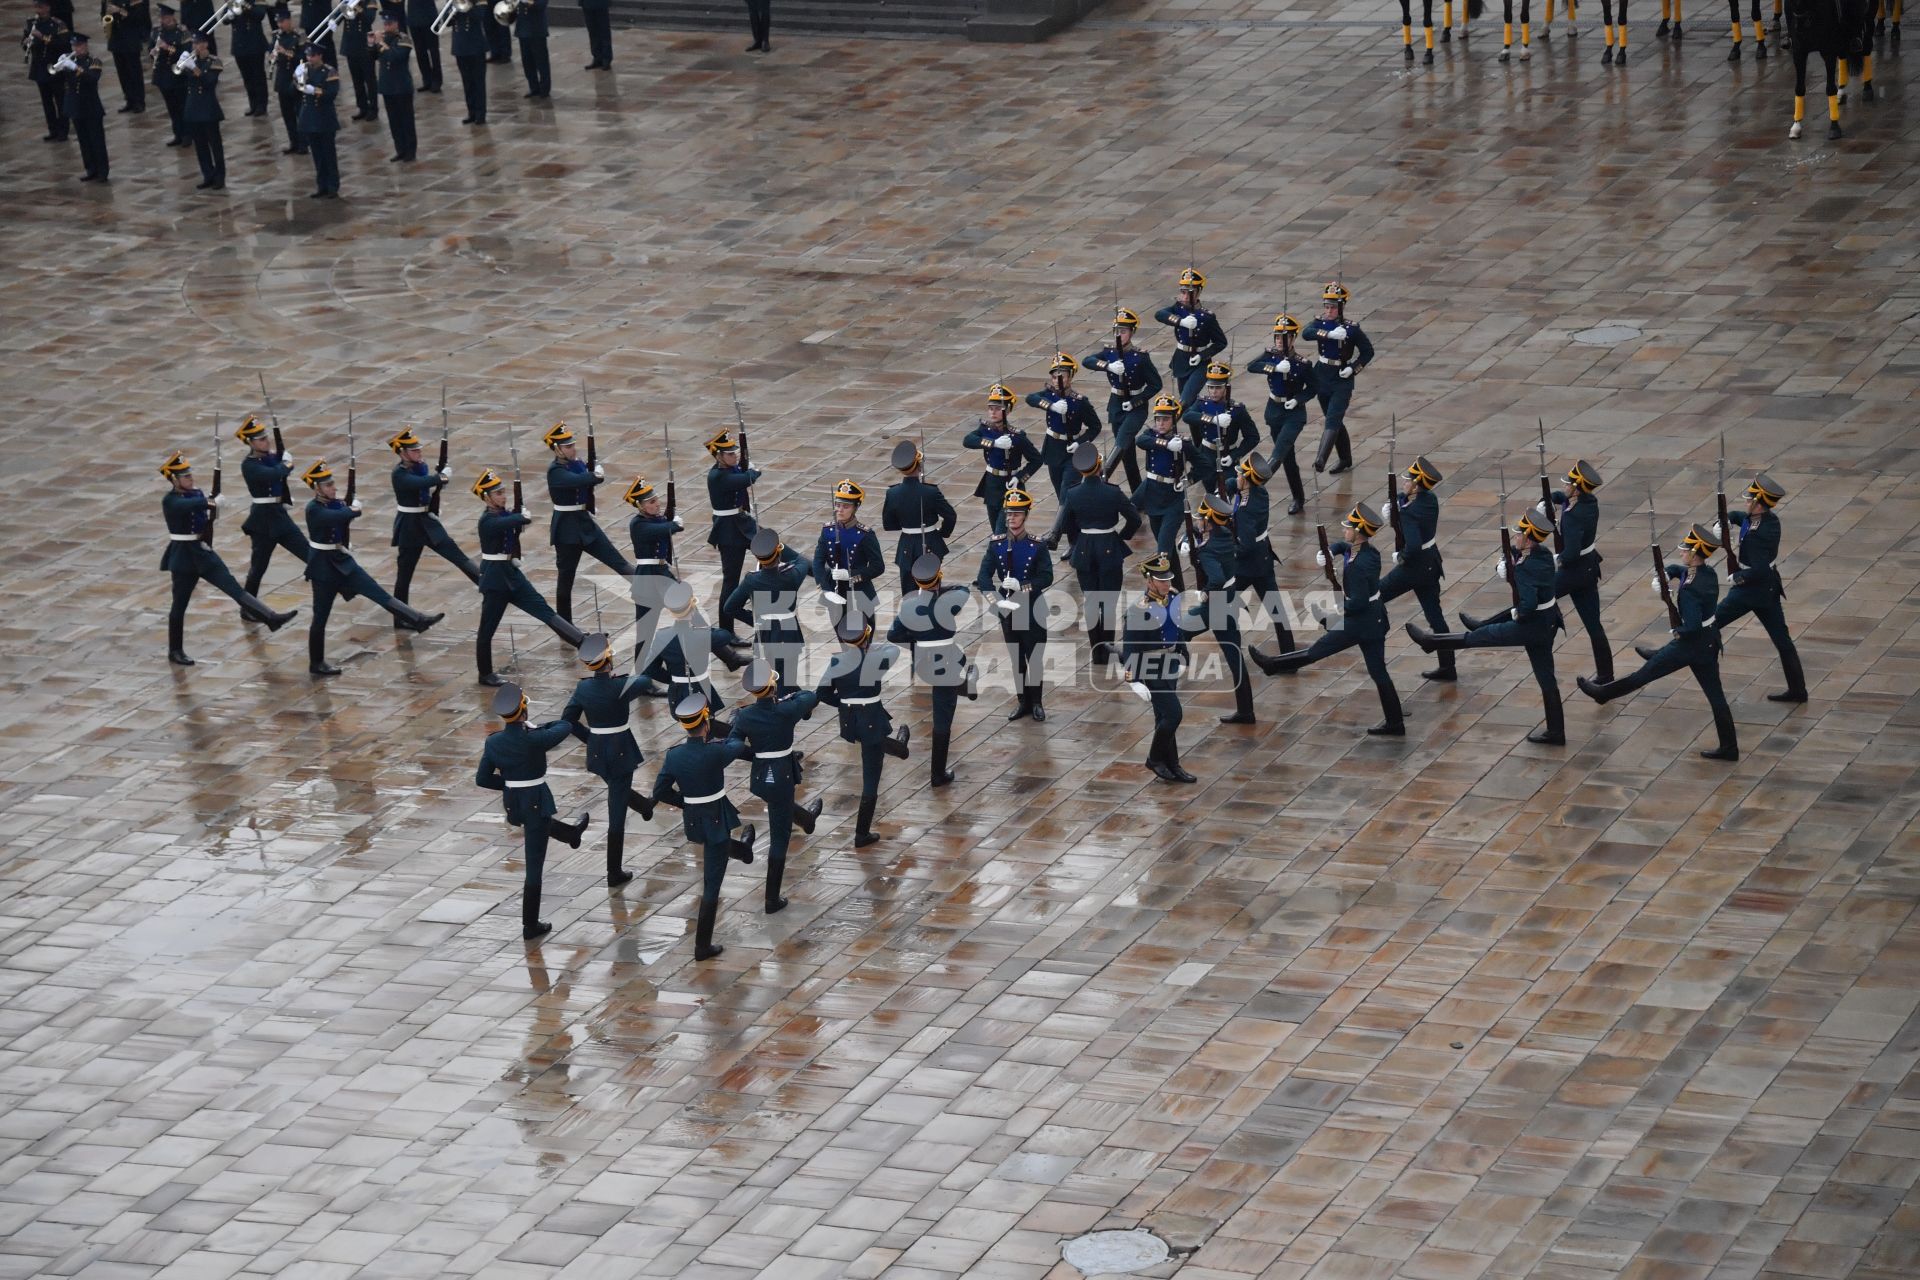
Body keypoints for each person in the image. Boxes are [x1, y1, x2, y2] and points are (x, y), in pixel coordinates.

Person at [1577, 523, 1739, 761]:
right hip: (1709, 642)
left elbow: (1692, 625)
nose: (1682, 552)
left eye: (1685, 550)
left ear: (1695, 554)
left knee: (1643, 675)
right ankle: (1729, 747)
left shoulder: (1691, 590)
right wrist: (1670, 572)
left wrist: (1678, 631)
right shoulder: (1708, 574)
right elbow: (1687, 574)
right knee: (1716, 697)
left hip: (1689, 645)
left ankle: (1603, 693)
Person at [1408, 505, 1566, 745]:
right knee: (1546, 676)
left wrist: (1518, 609)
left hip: (1532, 625)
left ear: (1528, 540)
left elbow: (1528, 601)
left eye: (1518, 534)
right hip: (1547, 622)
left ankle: (1431, 642)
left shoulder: (1528, 566)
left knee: (1483, 635)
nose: (1515, 537)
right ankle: (1556, 732)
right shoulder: (1541, 554)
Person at [1250, 502, 1405, 737]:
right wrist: (1331, 550)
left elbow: (1359, 603)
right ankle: (1395, 723)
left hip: (1360, 623)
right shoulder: (1366, 551)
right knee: (1378, 671)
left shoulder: (1361, 565)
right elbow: (1345, 547)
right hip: (1373, 621)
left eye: (1349, 528)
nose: (1345, 531)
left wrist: (1342, 604)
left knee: (1315, 652)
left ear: (1359, 531)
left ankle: (1272, 664)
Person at [1463, 459, 1611, 682]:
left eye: (1570, 484)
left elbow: (1569, 554)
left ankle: (1485, 626)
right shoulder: (1589, 503)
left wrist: (1546, 562)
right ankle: (1606, 674)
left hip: (1574, 571)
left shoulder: (1572, 516)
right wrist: (1554, 499)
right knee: (1593, 625)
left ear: (1578, 488)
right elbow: (1569, 504)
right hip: (1589, 566)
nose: (1566, 487)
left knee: (1529, 595)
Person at [298, 460, 444, 675]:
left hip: (342, 560)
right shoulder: (314, 509)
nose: (333, 488)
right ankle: (316, 663)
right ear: (317, 489)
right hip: (323, 567)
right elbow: (340, 516)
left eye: (332, 484)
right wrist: (354, 508)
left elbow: (343, 513)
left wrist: (350, 503)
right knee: (321, 615)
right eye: (327, 485)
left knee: (377, 592)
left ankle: (417, 619)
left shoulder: (334, 503)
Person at [475, 682, 592, 942]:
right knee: (534, 865)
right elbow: (565, 726)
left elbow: (483, 779)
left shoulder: (494, 742)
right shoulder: (534, 739)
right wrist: (537, 727)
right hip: (535, 800)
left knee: (539, 825)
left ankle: (571, 834)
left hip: (514, 801)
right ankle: (530, 925)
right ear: (524, 712)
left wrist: (507, 785)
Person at [158, 450, 298, 665]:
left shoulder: (195, 493)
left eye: (190, 474)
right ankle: (175, 650)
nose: (190, 478)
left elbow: (205, 517)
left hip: (203, 552)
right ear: (174, 480)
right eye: (185, 476)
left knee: (234, 589)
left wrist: (211, 504)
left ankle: (270, 617)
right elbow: (186, 507)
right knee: (180, 604)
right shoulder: (171, 500)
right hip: (184, 557)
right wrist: (209, 502)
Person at [652, 695, 757, 960]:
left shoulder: (674, 755)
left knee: (717, 848)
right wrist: (737, 721)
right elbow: (736, 743)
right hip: (715, 816)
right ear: (707, 722)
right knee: (712, 882)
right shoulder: (716, 751)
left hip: (695, 817)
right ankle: (702, 945)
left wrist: (686, 803)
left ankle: (743, 849)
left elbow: (661, 791)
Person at [472, 467, 586, 686]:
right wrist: (520, 517)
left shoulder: (503, 514)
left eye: (504, 492)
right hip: (495, 579)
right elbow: (508, 524)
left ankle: (582, 641)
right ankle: (485, 673)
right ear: (486, 498)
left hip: (512, 575)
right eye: (498, 494)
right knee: (487, 627)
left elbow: (513, 523)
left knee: (543, 609)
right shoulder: (487, 520)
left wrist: (517, 514)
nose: (503, 496)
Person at [560, 634, 656, 888]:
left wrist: (589, 738)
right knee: (616, 812)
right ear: (609, 659)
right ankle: (614, 871)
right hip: (620, 750)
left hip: (598, 750)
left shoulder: (583, 688)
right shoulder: (620, 686)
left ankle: (645, 806)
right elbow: (646, 680)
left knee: (617, 787)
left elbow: (568, 720)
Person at [727, 661, 823, 913]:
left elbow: (734, 744)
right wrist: (786, 697)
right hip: (781, 774)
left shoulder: (746, 715)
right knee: (779, 838)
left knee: (781, 808)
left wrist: (755, 751)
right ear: (773, 687)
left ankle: (807, 818)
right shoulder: (786, 710)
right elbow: (810, 696)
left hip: (761, 775)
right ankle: (772, 899)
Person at [815, 610, 909, 847]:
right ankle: (861, 833)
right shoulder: (876, 658)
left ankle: (900, 747)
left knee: (874, 745)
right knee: (871, 777)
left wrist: (845, 703)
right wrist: (867, 645)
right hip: (872, 719)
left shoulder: (837, 661)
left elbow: (822, 693)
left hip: (850, 719)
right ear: (867, 635)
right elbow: (894, 649)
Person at [1711, 473, 1807, 703]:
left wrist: (1738, 577)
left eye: (1749, 500)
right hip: (1768, 589)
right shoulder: (1767, 520)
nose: (1746, 502)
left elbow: (1760, 569)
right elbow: (1743, 519)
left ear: (1759, 504)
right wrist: (1726, 519)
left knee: (1708, 622)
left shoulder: (1759, 535)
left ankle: (1662, 656)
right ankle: (1798, 690)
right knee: (1782, 641)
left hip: (1751, 590)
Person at [887, 554, 978, 788]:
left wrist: (916, 643)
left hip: (924, 664)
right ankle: (938, 774)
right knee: (942, 717)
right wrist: (941, 588)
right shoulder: (949, 601)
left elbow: (893, 635)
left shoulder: (908, 605)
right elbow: (964, 590)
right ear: (938, 577)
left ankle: (963, 684)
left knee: (960, 658)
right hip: (945, 661)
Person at [1046, 441, 1140, 664]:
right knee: (1107, 601)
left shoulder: (1073, 493)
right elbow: (1134, 519)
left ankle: (1096, 652)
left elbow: (1065, 521)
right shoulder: (1112, 492)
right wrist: (1122, 536)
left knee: (1091, 601)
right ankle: (1106, 648)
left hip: (1085, 547)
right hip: (1109, 545)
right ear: (1100, 466)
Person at [973, 487, 1053, 722]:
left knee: (1034, 658)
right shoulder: (996, 544)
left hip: (1032, 609)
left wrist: (1023, 585)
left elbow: (1046, 577)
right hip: (1008, 610)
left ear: (1025, 515)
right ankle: (1022, 702)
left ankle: (1037, 702)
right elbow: (984, 578)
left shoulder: (1037, 545)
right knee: (1017, 659)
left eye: (1016, 514)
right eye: (1009, 514)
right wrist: (997, 602)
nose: (1012, 518)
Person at [1376, 455, 1456, 683]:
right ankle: (1448, 666)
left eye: (1408, 481)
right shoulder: (1428, 499)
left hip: (1414, 567)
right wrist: (1398, 501)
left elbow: (1412, 545)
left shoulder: (1410, 512)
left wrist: (1400, 556)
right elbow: (1409, 500)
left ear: (1417, 485)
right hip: (1431, 564)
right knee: (1435, 616)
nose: (1405, 483)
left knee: (1375, 595)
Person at [1120, 552, 1200, 782]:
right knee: (1174, 714)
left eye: (1168, 579)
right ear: (1149, 580)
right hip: (1150, 666)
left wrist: (1183, 653)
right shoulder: (1138, 610)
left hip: (1171, 662)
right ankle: (1154, 758)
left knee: (1163, 716)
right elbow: (1130, 648)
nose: (1167, 584)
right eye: (1161, 580)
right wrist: (1133, 680)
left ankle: (1171, 764)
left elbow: (1178, 627)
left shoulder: (1173, 597)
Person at [542, 422, 632, 623]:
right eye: (568, 446)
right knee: (565, 582)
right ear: (557, 449)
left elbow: (583, 478)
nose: (573, 449)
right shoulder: (555, 470)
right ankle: (566, 628)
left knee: (619, 563)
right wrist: (594, 475)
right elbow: (577, 481)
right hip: (566, 531)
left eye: (573, 445)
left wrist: (592, 471)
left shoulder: (576, 464)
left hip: (585, 524)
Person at [388, 427, 476, 606]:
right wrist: (440, 478)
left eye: (419, 449)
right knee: (405, 574)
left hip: (427, 522)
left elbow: (425, 488)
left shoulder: (420, 467)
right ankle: (402, 615)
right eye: (414, 450)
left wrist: (439, 479)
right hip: (410, 527)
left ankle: (489, 587)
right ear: (403, 453)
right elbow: (419, 483)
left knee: (457, 556)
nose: (419, 452)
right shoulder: (399, 474)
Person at [1083, 307, 1163, 492]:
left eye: (1123, 331)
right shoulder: (1109, 352)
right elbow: (1087, 361)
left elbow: (1155, 384)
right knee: (1127, 455)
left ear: (1132, 332)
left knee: (1121, 441)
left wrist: (1136, 401)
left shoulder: (1140, 357)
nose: (1119, 335)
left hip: (1136, 407)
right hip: (1116, 406)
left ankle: (1100, 481)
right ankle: (1137, 493)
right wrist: (1108, 366)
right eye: (1116, 331)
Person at [1191, 497, 1255, 725]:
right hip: (1229, 601)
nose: (1197, 521)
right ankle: (1246, 711)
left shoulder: (1208, 551)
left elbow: (1216, 578)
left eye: (1201, 518)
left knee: (1177, 629)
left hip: (1215, 605)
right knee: (1235, 656)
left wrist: (1206, 591)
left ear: (1209, 522)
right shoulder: (1225, 536)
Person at [1300, 282, 1375, 475]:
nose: (1329, 310)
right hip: (1322, 374)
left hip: (1342, 378)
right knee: (1333, 419)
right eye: (1327, 306)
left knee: (1333, 419)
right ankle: (1345, 458)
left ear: (1341, 307)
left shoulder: (1352, 329)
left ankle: (1320, 459)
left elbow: (1367, 352)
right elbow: (1306, 334)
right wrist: (1329, 334)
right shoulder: (1320, 323)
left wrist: (1353, 368)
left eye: (1333, 307)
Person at [724, 528, 810, 693]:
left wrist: (755, 620)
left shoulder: (752, 579)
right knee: (786, 676)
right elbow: (802, 561)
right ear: (778, 553)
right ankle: (800, 703)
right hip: (789, 632)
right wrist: (781, 547)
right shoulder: (791, 575)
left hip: (764, 632)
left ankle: (796, 702)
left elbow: (730, 607)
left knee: (769, 676)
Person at [1243, 314, 1313, 514]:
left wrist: (1298, 399)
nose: (1279, 341)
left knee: (1279, 451)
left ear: (1292, 339)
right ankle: (1298, 497)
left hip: (1294, 414)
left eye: (1283, 338)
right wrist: (1273, 367)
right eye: (1277, 337)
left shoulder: (1302, 364)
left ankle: (1256, 484)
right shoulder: (1270, 355)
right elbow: (1251, 366)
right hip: (1274, 410)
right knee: (1287, 458)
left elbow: (1313, 387)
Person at [235, 416, 310, 601]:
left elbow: (277, 467)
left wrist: (283, 459)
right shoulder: (249, 465)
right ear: (251, 443)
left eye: (266, 437)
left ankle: (342, 585)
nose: (266, 441)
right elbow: (272, 474)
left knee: (309, 554)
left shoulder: (270, 457)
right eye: (261, 439)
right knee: (258, 568)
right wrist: (287, 464)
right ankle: (248, 606)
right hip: (262, 521)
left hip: (279, 516)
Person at [1229, 456, 1295, 656]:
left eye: (1240, 474)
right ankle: (1288, 652)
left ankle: (1231, 645)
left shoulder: (1245, 510)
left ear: (1247, 480)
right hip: (1263, 557)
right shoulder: (1259, 491)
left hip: (1247, 565)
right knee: (1277, 611)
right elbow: (1233, 484)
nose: (1237, 476)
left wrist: (1226, 552)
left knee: (1220, 602)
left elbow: (1245, 546)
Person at [881, 440, 956, 597]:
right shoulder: (931, 492)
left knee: (909, 591)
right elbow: (950, 515)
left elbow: (888, 524)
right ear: (919, 466)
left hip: (907, 543)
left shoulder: (893, 493)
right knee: (931, 587)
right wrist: (943, 533)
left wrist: (906, 524)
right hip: (930, 540)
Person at [963, 384, 1041, 535]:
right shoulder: (985, 430)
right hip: (992, 483)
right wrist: (993, 443)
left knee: (1002, 531)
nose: (993, 412)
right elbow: (968, 440)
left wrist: (1020, 478)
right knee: (996, 531)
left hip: (1011, 486)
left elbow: (1036, 460)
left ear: (1008, 410)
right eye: (991, 408)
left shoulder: (1017, 436)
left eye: (998, 408)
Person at [1024, 354, 1102, 501]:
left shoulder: (1080, 401)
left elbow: (1095, 427)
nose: (1057, 381)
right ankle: (1070, 523)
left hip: (1073, 452)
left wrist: (1079, 442)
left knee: (1068, 492)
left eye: (1062, 376)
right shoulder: (1049, 396)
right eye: (1054, 377)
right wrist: (1052, 406)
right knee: (1060, 493)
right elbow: (1030, 398)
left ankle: (1064, 522)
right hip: (1053, 449)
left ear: (1070, 377)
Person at [1128, 395, 1192, 575]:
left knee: (1163, 553)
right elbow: (1141, 441)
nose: (1161, 423)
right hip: (1153, 496)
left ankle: (1161, 590)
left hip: (1173, 500)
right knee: (1167, 548)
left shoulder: (1183, 443)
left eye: (1165, 419)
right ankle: (1176, 588)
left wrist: (1189, 480)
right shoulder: (1151, 436)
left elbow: (1204, 466)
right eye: (1158, 419)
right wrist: (1165, 444)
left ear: (1174, 420)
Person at [704, 429, 759, 634]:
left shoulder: (731, 469)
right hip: (728, 531)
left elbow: (743, 476)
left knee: (776, 550)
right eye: (729, 454)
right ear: (719, 456)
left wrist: (746, 468)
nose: (734, 455)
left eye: (735, 452)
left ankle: (813, 570)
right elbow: (747, 479)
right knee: (731, 581)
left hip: (743, 522)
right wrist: (752, 471)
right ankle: (727, 631)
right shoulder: (718, 476)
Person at [1179, 361, 1259, 498]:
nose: (1213, 391)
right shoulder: (1202, 403)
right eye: (1210, 387)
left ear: (1226, 388)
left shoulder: (1237, 410)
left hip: (1227, 456)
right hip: (1207, 454)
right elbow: (1187, 416)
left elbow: (1253, 437)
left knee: (1225, 496)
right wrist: (1213, 419)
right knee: (1210, 493)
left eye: (1218, 388)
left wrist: (1235, 455)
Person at [812, 479, 885, 629]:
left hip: (860, 593)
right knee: (843, 638)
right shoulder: (827, 531)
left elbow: (878, 566)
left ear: (855, 507)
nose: (840, 510)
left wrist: (850, 575)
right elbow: (817, 562)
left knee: (863, 638)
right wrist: (825, 589)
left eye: (845, 506)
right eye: (838, 505)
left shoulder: (865, 534)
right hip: (836, 592)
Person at [1153, 268, 1227, 410]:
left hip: (1200, 363)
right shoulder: (1178, 309)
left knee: (1185, 400)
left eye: (1190, 293)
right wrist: (1180, 321)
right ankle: (1198, 430)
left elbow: (1221, 342)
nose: (1186, 297)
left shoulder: (1207, 317)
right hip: (1181, 359)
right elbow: (1159, 314)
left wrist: (1202, 355)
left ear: (1199, 292)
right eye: (1183, 292)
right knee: (1188, 407)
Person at [295, 43, 341, 197]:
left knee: (328, 154)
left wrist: (314, 90)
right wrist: (296, 77)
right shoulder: (305, 69)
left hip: (324, 117)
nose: (310, 58)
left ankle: (332, 186)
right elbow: (294, 88)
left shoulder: (329, 71)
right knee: (317, 155)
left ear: (320, 56)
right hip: (309, 116)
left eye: (313, 55)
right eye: (308, 55)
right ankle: (321, 186)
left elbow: (331, 94)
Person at [62, 31, 109, 181]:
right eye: (75, 46)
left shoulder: (94, 61)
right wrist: (61, 65)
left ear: (86, 46)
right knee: (83, 140)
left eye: (80, 45)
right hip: (76, 105)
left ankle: (102, 171)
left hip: (91, 106)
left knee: (97, 140)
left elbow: (92, 78)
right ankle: (90, 169)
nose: (78, 48)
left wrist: (75, 68)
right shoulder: (71, 61)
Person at [181, 32, 225, 190]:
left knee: (215, 145)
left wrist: (195, 69)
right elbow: (180, 75)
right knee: (200, 146)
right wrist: (185, 64)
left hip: (208, 108)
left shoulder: (214, 61)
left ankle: (220, 176)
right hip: (193, 107)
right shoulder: (191, 61)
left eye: (197, 44)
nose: (195, 47)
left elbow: (209, 82)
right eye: (193, 44)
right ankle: (208, 174)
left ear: (205, 44)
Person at [26, 0, 72, 143]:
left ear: (48, 8)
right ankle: (52, 129)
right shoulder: (31, 23)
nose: (38, 10)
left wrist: (43, 38)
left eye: (41, 7)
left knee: (60, 99)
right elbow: (26, 40)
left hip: (54, 66)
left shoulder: (58, 24)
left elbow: (63, 44)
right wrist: (26, 42)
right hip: (40, 67)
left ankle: (63, 130)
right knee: (46, 102)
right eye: (37, 7)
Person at [371, 13, 413, 160]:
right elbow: (372, 57)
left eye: (390, 24)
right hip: (387, 85)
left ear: (396, 24)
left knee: (406, 120)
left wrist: (381, 43)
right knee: (394, 121)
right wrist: (372, 43)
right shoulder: (384, 38)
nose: (387, 27)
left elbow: (394, 57)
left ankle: (410, 151)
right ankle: (400, 149)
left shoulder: (403, 38)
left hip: (401, 85)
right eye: (385, 24)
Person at [269, 6, 305, 153]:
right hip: (283, 78)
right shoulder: (277, 36)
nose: (280, 25)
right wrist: (273, 56)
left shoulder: (299, 36)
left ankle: (303, 143)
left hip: (295, 77)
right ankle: (293, 142)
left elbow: (302, 57)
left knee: (299, 112)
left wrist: (285, 53)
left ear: (289, 21)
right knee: (287, 114)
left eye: (282, 22)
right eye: (278, 22)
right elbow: (272, 49)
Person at [151, 5, 188, 145]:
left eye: (167, 17)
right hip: (163, 73)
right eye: (163, 18)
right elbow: (150, 47)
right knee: (171, 107)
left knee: (182, 105)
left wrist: (168, 48)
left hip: (178, 74)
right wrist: (153, 51)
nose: (165, 20)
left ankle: (187, 134)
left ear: (173, 17)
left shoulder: (183, 32)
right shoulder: (156, 32)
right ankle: (177, 134)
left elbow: (185, 53)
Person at [104, 0, 148, 112]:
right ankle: (129, 99)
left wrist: (120, 11)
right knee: (122, 72)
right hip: (115, 38)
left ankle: (139, 101)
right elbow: (103, 12)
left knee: (134, 71)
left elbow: (140, 17)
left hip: (130, 38)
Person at [448, 0, 486, 123]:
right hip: (460, 46)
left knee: (478, 82)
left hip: (475, 46)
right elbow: (447, 21)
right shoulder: (453, 2)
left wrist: (467, 6)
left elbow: (480, 16)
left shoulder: (479, 1)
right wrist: (452, 13)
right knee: (467, 82)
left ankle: (480, 113)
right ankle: (471, 112)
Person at [228, 0, 268, 114]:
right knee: (247, 78)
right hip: (239, 45)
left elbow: (260, 15)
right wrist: (229, 15)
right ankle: (253, 104)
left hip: (254, 44)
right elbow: (224, 20)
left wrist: (245, 5)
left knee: (258, 76)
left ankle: (261, 105)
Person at [340, 0, 377, 119]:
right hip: (350, 44)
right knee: (357, 80)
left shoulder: (369, 1)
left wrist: (357, 7)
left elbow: (369, 19)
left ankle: (373, 108)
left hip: (364, 44)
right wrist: (332, 20)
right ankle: (362, 107)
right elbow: (340, 14)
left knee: (369, 79)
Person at [511, 0, 546, 97]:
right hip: (523, 28)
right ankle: (533, 87)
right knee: (527, 61)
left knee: (541, 61)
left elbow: (541, 5)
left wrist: (527, 2)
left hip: (536, 29)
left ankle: (544, 88)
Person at [404, 0, 440, 89]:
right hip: (414, 19)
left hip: (429, 17)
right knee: (420, 52)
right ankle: (427, 80)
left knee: (433, 51)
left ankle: (437, 80)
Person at [578, 0, 611, 67]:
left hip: (601, 4)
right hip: (587, 4)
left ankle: (606, 58)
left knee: (603, 30)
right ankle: (597, 57)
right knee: (592, 31)